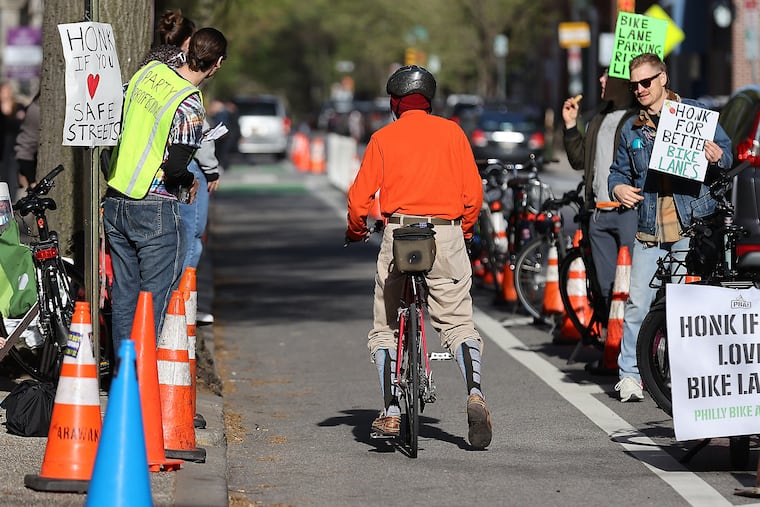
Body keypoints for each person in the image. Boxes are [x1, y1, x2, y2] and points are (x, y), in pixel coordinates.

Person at [345, 65, 492, 449]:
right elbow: (472, 194)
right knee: (458, 322)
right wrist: (467, 230)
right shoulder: (453, 133)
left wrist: (357, 230)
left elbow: (359, 199)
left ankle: (392, 408)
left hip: (400, 234)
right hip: (445, 232)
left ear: (395, 102)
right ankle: (474, 393)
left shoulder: (383, 137)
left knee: (386, 326)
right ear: (430, 101)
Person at [607, 53, 733, 402]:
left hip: (690, 226)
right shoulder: (632, 126)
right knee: (638, 303)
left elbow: (727, 151)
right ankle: (630, 375)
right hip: (650, 228)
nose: (640, 90)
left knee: (685, 307)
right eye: (634, 85)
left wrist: (716, 155)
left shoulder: (693, 114)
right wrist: (617, 188)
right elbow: (617, 173)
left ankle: (683, 375)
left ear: (663, 77)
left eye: (646, 82)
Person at [103, 27, 227, 349]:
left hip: (117, 198)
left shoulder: (150, 73)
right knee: (154, 301)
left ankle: (122, 378)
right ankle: (142, 383)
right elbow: (174, 169)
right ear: (217, 64)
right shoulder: (189, 105)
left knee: (125, 295)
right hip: (153, 207)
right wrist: (189, 181)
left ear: (187, 51)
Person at [561, 69, 638, 312]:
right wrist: (571, 125)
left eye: (608, 76)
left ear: (625, 81)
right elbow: (579, 160)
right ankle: (610, 344)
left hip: (629, 213)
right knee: (606, 290)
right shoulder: (599, 118)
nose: (601, 80)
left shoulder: (640, 117)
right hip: (599, 213)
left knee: (633, 287)